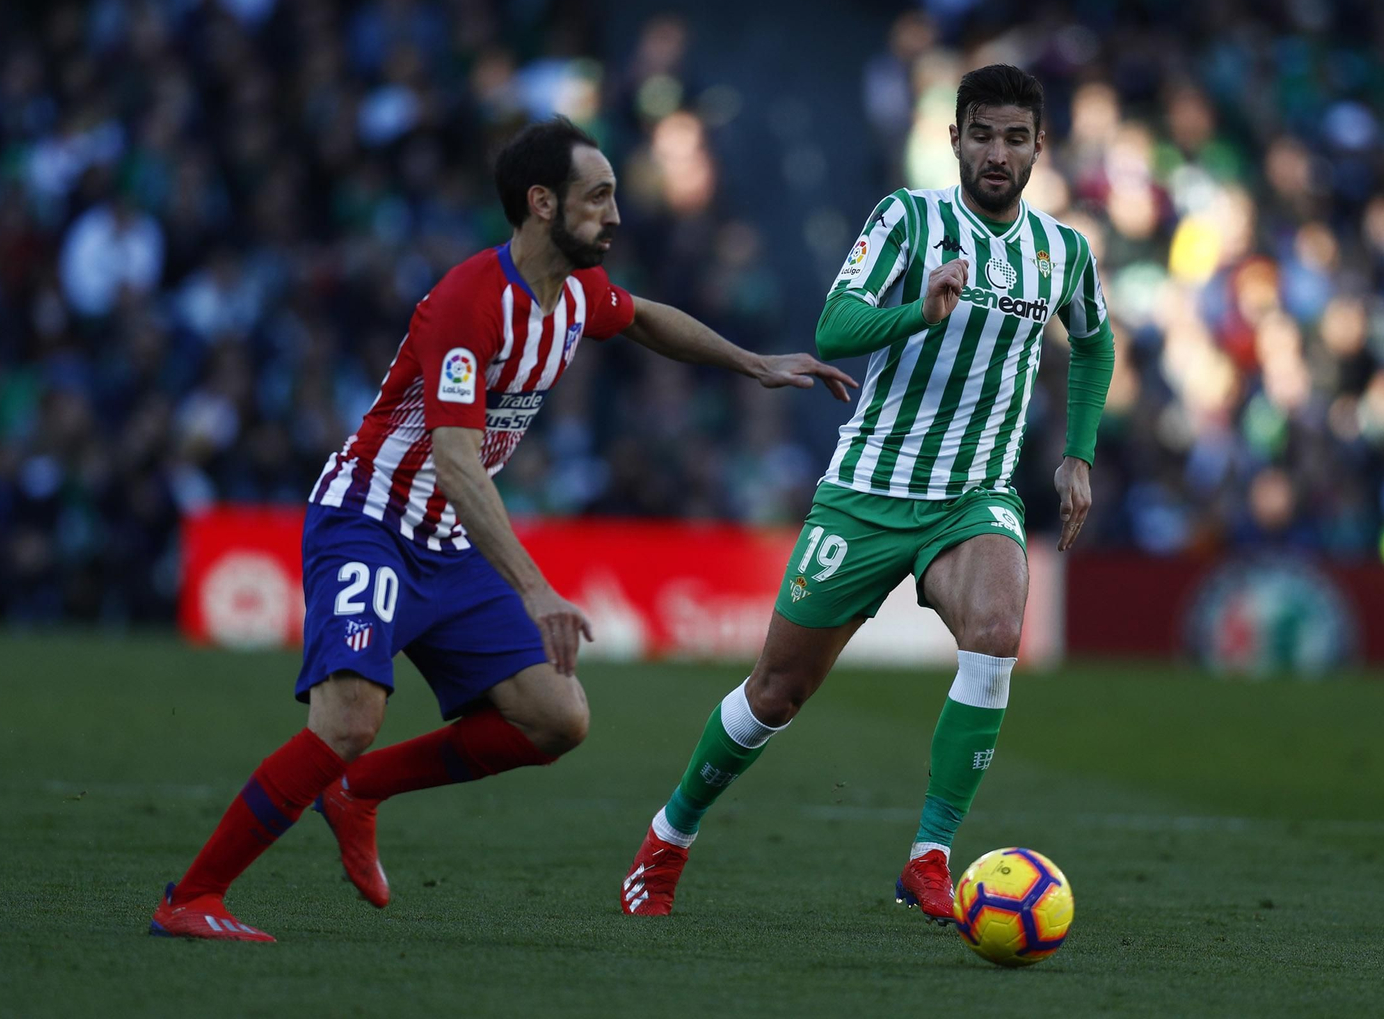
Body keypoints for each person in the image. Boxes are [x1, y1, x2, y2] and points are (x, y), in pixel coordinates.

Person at [149, 116, 856, 942]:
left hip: (451, 543)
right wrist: (536, 587)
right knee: (346, 718)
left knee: (557, 719)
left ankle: (357, 789)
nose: (616, 215)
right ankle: (191, 898)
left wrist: (755, 363)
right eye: (598, 198)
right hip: (371, 521)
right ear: (541, 203)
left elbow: (650, 318)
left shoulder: (577, 295)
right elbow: (454, 461)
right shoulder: (469, 301)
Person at [620, 65, 1114, 922]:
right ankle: (666, 840)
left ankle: (929, 857)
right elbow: (833, 329)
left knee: (998, 630)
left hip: (975, 495)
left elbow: (1097, 344)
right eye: (983, 134)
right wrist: (919, 313)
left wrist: (1077, 454)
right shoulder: (906, 218)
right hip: (867, 491)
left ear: (1039, 149)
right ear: (955, 137)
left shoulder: (1062, 250)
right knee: (775, 693)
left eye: (1015, 137)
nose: (998, 153)